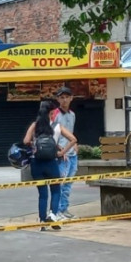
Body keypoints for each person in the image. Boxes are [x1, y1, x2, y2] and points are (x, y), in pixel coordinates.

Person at [24, 100, 77, 230]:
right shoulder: (57, 127)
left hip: (36, 164)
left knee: (42, 194)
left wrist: (34, 144)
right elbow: (73, 139)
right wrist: (62, 152)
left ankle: (42, 222)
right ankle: (53, 215)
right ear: (52, 113)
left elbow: (25, 141)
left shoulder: (35, 125)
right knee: (56, 191)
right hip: (51, 163)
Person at [54, 86, 79, 218]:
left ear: (71, 98)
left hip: (72, 154)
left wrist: (75, 144)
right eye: (61, 97)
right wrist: (60, 150)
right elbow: (51, 135)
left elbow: (71, 132)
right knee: (60, 184)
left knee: (68, 185)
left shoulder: (72, 114)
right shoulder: (55, 114)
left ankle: (64, 209)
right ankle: (56, 211)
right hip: (62, 155)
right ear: (58, 99)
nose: (64, 100)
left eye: (66, 97)